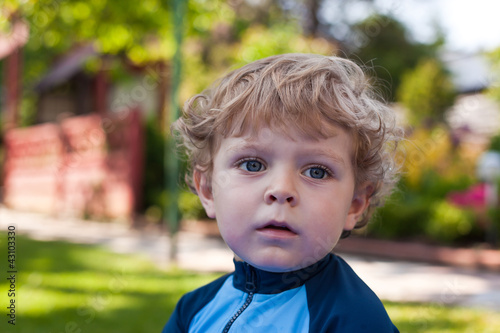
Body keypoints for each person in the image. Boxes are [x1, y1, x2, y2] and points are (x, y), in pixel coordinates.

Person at [163, 53, 402, 332]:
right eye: (252, 164)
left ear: (355, 203)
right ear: (208, 190)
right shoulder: (192, 311)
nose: (281, 190)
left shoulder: (353, 320)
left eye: (316, 171)